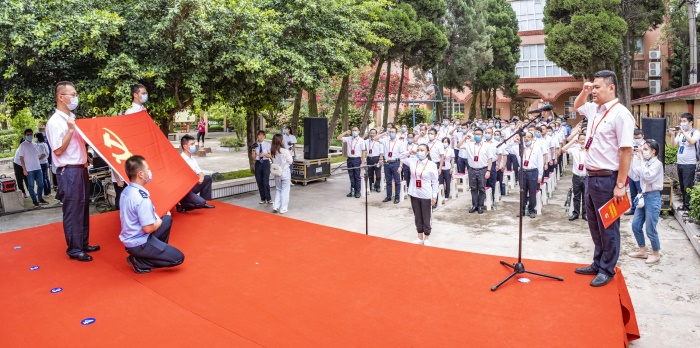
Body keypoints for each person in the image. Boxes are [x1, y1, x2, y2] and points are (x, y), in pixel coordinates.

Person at [573, 70, 634, 287]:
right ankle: (597, 263)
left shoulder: (621, 114)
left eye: (597, 87)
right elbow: (577, 107)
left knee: (608, 226)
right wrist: (584, 90)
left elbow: (626, 152)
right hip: (591, 176)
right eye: (592, 87)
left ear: (611, 88)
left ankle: (607, 268)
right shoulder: (596, 110)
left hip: (608, 179)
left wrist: (620, 185)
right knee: (594, 225)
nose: (593, 91)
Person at [46, 81, 100, 262]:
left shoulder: (72, 118)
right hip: (68, 171)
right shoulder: (55, 122)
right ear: (61, 97)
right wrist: (70, 131)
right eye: (73, 94)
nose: (76, 97)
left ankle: (83, 243)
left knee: (83, 209)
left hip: (81, 168)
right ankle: (74, 249)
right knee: (73, 210)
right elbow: (58, 150)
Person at [120, 155, 184, 274]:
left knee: (166, 220)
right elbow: (148, 228)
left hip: (135, 236)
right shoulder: (141, 198)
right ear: (140, 174)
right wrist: (158, 221)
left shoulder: (127, 191)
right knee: (178, 258)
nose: (150, 172)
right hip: (139, 242)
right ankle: (140, 261)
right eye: (147, 169)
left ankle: (153, 253)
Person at [627, 139, 664, 265]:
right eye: (643, 149)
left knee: (650, 229)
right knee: (636, 225)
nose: (643, 152)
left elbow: (648, 177)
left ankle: (656, 253)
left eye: (646, 149)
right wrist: (631, 159)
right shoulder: (645, 163)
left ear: (653, 151)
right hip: (643, 196)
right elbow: (634, 175)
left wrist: (641, 160)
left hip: (653, 197)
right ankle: (642, 250)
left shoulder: (657, 164)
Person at [400, 144, 439, 246]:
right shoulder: (413, 161)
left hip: (426, 194)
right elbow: (401, 157)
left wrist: (434, 196)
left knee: (426, 216)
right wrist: (410, 152)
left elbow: (435, 182)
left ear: (427, 152)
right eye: (418, 150)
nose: (420, 152)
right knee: (417, 216)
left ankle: (426, 237)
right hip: (414, 193)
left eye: (422, 150)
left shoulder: (432, 165)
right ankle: (419, 237)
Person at [459, 128, 493, 214]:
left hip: (483, 169)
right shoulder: (469, 144)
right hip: (472, 170)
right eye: (476, 134)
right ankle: (474, 205)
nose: (477, 136)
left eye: (479, 134)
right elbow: (458, 146)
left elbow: (490, 159)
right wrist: (465, 137)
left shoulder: (487, 145)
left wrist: (488, 170)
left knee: (482, 188)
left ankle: (480, 206)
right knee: (473, 188)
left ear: (482, 135)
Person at [670, 113, 699, 211]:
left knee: (688, 185)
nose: (682, 123)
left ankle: (688, 207)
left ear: (690, 122)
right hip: (680, 163)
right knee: (682, 185)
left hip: (689, 164)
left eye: (684, 121)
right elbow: (674, 144)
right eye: (681, 121)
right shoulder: (680, 133)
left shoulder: (695, 132)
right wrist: (672, 135)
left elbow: (692, 142)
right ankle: (684, 205)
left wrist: (683, 132)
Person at [178, 134, 215, 211]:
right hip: (185, 189)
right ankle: (182, 205)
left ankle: (204, 202)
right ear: (185, 146)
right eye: (191, 144)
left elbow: (200, 172)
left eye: (193, 144)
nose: (193, 146)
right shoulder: (180, 160)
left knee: (207, 178)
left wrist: (201, 178)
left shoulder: (192, 159)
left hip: (193, 185)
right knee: (200, 203)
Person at [561, 130, 587, 221]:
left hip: (586, 176)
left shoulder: (590, 149)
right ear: (578, 140)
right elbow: (563, 149)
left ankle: (585, 214)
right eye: (581, 140)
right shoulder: (575, 149)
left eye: (584, 139)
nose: (583, 141)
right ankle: (576, 213)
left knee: (586, 196)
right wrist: (572, 141)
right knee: (576, 196)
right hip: (576, 176)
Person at [18, 129, 48, 207]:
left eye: (31, 134)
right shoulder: (22, 145)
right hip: (29, 169)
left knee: (40, 184)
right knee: (31, 186)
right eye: (28, 135)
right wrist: (24, 169)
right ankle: (34, 200)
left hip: (38, 168)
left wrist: (42, 156)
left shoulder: (35, 144)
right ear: (25, 136)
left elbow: (39, 155)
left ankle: (40, 198)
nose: (30, 136)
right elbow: (21, 158)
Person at [517, 132, 543, 218]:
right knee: (522, 191)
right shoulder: (520, 148)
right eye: (525, 137)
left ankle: (531, 210)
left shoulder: (537, 149)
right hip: (522, 172)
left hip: (533, 172)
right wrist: (515, 141)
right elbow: (508, 148)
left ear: (532, 138)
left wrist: (540, 176)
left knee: (532, 192)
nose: (526, 139)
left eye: (528, 137)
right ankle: (522, 210)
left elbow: (540, 163)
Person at [375, 127, 404, 203]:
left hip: (396, 163)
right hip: (387, 163)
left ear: (396, 133)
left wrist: (400, 166)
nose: (391, 133)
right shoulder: (385, 140)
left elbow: (402, 155)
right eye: (390, 132)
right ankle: (388, 196)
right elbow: (375, 138)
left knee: (397, 181)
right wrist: (384, 133)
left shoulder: (399, 142)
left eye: (393, 132)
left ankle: (397, 197)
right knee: (388, 181)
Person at [337, 127, 366, 198]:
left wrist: (362, 162)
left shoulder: (361, 140)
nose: (354, 132)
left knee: (357, 176)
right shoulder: (349, 138)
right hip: (350, 159)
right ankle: (352, 190)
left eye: (355, 130)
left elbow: (363, 152)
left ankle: (357, 191)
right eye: (353, 130)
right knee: (351, 176)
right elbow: (339, 138)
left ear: (359, 132)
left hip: (357, 159)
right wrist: (345, 132)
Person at [624, 129, 645, 216]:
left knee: (640, 193)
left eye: (638, 138)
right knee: (632, 193)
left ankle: (641, 210)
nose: (636, 139)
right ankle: (633, 209)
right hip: (631, 171)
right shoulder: (630, 144)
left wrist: (641, 152)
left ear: (642, 136)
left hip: (640, 172)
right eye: (635, 138)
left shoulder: (646, 145)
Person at [270, 134, 294, 213]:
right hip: (285, 172)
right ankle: (283, 208)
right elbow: (290, 161)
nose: (283, 140)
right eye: (282, 139)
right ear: (280, 141)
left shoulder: (273, 151)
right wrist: (290, 153)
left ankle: (276, 206)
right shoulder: (284, 151)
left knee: (278, 189)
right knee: (285, 190)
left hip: (277, 172)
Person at [252, 130, 272, 204]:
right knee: (259, 181)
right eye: (259, 135)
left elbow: (271, 155)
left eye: (262, 135)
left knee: (265, 182)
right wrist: (253, 151)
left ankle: (268, 198)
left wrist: (264, 154)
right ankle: (262, 198)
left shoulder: (267, 144)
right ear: (257, 136)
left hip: (266, 163)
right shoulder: (255, 144)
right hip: (258, 164)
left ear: (264, 136)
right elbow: (253, 157)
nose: (261, 136)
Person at [35, 133, 52, 199]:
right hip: (45, 162)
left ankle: (46, 193)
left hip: (42, 163)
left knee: (43, 178)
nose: (35, 138)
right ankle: (49, 191)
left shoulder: (40, 145)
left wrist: (37, 159)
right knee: (46, 178)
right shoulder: (44, 144)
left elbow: (43, 154)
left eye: (35, 137)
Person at [439, 137, 455, 202]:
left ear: (448, 143)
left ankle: (446, 195)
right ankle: (440, 194)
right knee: (440, 182)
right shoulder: (440, 150)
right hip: (440, 168)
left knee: (447, 182)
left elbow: (452, 159)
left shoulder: (451, 150)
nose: (444, 143)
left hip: (447, 168)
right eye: (443, 142)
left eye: (446, 142)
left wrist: (452, 167)